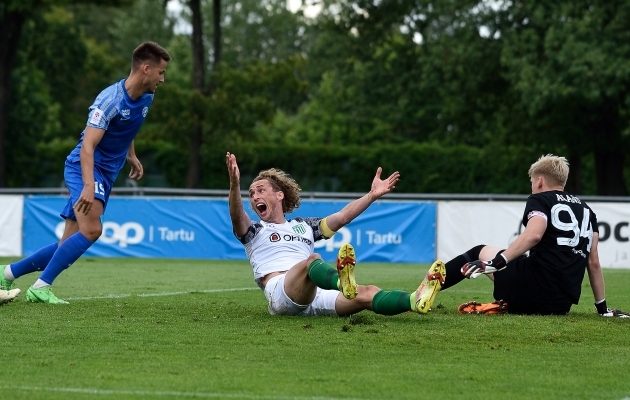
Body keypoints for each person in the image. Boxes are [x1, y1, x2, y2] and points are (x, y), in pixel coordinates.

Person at [0, 42, 172, 304]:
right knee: (92, 230)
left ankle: (7, 274)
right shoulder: (109, 101)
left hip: (103, 174)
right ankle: (41, 287)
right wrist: (89, 185)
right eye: (160, 72)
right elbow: (87, 148)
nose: (163, 78)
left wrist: (131, 154)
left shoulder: (147, 97)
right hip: (84, 169)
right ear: (146, 69)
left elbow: (129, 127)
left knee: (65, 245)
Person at [226, 152, 446, 317]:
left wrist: (371, 195)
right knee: (312, 260)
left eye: (260, 190)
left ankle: (413, 300)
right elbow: (237, 215)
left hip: (315, 293)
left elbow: (342, 217)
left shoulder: (304, 226)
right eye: (251, 193)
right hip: (282, 294)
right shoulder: (255, 230)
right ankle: (342, 283)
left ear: (279, 195)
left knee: (368, 293)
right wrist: (235, 184)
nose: (254, 196)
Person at [437, 154, 627, 317]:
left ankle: (422, 294)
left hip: (532, 292)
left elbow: (533, 235)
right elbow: (593, 262)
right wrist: (602, 309)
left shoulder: (540, 199)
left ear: (539, 181)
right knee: (522, 259)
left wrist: (494, 263)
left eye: (531, 182)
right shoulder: (587, 210)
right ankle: (507, 302)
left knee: (478, 252)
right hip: (560, 306)